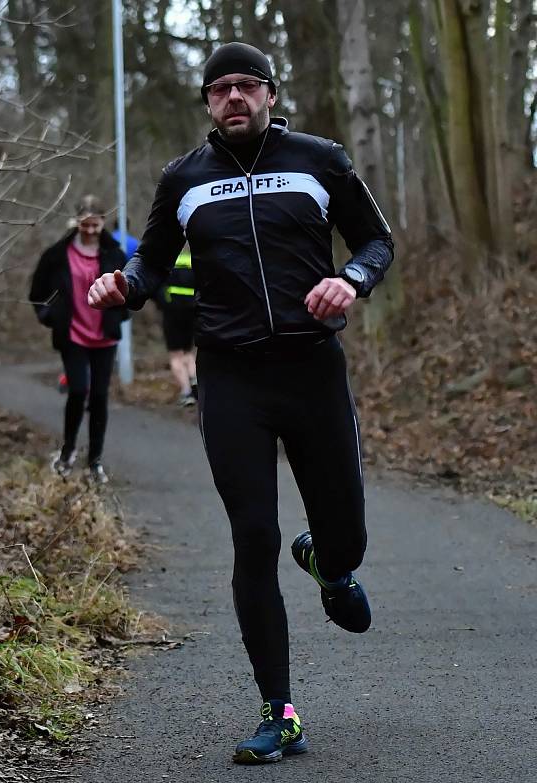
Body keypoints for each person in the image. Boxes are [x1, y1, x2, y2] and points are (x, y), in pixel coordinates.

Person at [87, 42, 393, 764]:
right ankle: (278, 710)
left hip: (312, 370)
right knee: (253, 537)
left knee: (346, 536)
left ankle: (328, 560)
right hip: (232, 381)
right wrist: (124, 288)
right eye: (220, 87)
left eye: (246, 85)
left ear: (270, 94)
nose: (234, 97)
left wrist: (350, 278)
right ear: (207, 103)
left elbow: (377, 239)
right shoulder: (183, 179)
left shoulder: (321, 160)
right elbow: (152, 261)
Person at [30, 195, 129, 485]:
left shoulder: (114, 253)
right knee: (78, 391)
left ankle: (95, 461)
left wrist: (119, 315)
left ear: (102, 223)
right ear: (77, 223)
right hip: (72, 334)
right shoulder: (57, 254)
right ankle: (67, 451)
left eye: (94, 225)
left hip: (104, 335)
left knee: (99, 397)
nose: (89, 230)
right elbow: (37, 291)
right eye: (84, 224)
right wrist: (48, 315)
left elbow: (130, 288)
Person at [154, 247, 197, 406]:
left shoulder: (167, 262)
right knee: (188, 352)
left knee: (175, 355)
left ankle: (186, 393)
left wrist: (163, 304)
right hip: (192, 311)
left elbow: (156, 287)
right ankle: (195, 381)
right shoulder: (193, 260)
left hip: (172, 313)